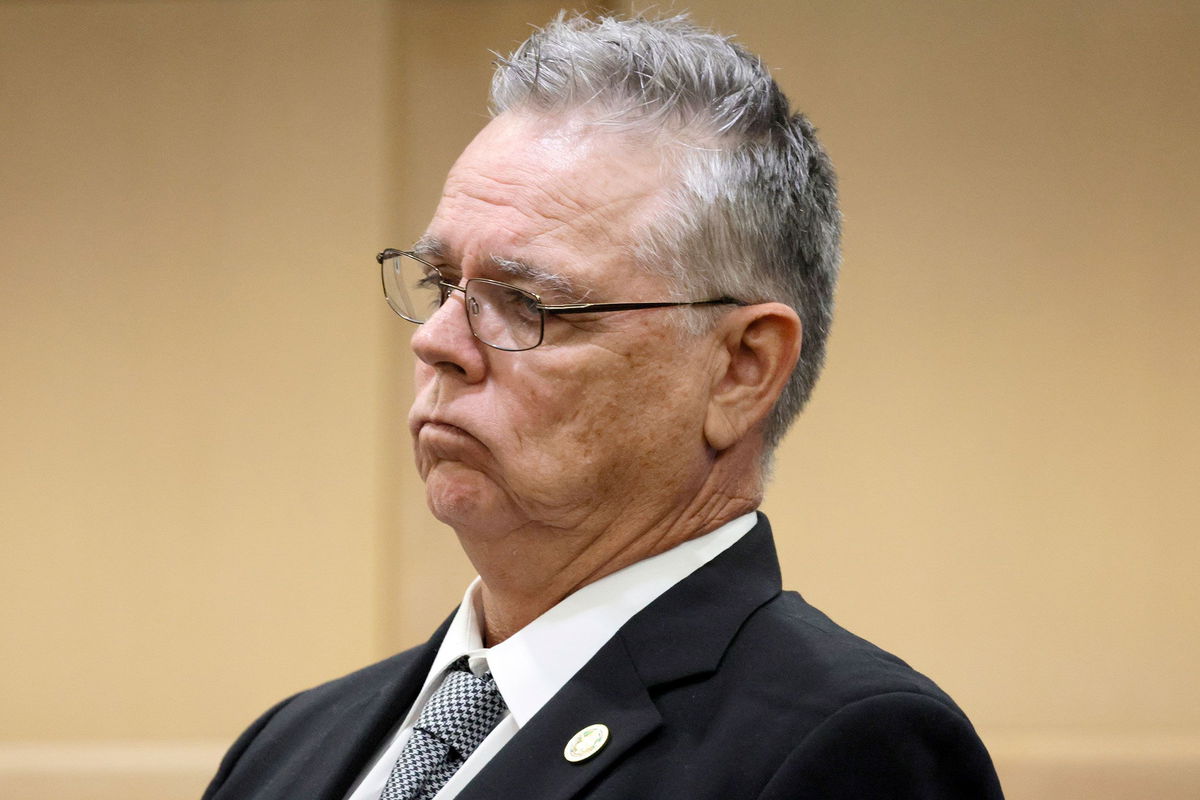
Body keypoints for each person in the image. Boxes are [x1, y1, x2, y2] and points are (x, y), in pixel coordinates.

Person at [202, 13, 1003, 800]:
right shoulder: (288, 746)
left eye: (523, 302)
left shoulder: (849, 748)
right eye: (439, 285)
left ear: (741, 370)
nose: (437, 342)